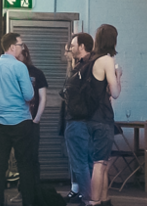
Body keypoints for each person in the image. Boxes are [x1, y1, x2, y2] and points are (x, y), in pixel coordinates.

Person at [0, 31, 41, 206]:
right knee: (25, 163)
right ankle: (28, 202)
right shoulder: (19, 67)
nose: (22, 48)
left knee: (0, 163)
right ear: (12, 47)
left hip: (0, 122)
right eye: (20, 44)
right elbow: (29, 95)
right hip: (21, 121)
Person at [84, 25, 123, 206]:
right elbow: (114, 93)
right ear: (112, 40)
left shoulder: (90, 59)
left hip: (88, 118)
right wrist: (118, 75)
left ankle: (104, 200)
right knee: (100, 164)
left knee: (102, 163)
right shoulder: (107, 60)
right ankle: (95, 202)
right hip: (103, 117)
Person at [61, 32, 96, 206]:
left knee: (80, 162)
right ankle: (89, 197)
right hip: (88, 121)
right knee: (88, 162)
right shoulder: (91, 66)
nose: (71, 49)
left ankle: (87, 198)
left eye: (73, 46)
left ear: (82, 46)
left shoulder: (84, 69)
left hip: (77, 121)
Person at [24, 44, 49, 125]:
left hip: (31, 118)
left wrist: (37, 119)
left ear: (26, 54)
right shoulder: (12, 72)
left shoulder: (37, 73)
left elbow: (43, 98)